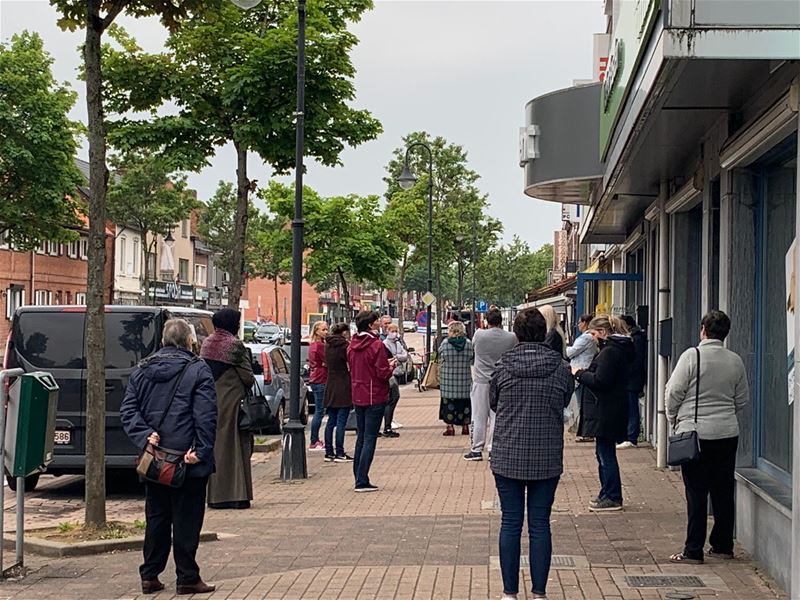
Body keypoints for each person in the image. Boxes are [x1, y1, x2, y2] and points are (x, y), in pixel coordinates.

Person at [121, 319, 218, 596]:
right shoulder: (199, 369)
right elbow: (206, 415)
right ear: (190, 341)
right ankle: (187, 577)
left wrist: (144, 435)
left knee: (157, 517)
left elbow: (128, 409)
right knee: (187, 520)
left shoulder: (142, 369)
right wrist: (201, 451)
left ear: (163, 340)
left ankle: (150, 575)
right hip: (186, 460)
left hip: (155, 460)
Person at [490, 308, 574, 600]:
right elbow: (565, 400)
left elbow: (493, 403)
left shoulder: (502, 367)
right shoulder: (561, 368)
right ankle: (539, 592)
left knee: (510, 522)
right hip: (546, 454)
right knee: (540, 524)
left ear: (517, 333)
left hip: (508, 453)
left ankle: (509, 593)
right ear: (545, 332)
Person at [666, 310, 749, 565]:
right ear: (726, 333)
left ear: (703, 330)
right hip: (727, 433)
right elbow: (742, 399)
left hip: (696, 434)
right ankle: (723, 545)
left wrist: (674, 419)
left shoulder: (692, 356)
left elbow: (674, 392)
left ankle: (693, 550)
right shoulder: (735, 360)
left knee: (696, 492)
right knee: (723, 490)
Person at [572, 314, 633, 512]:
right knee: (603, 453)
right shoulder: (617, 350)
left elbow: (601, 380)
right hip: (610, 408)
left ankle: (612, 495)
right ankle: (606, 492)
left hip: (605, 409)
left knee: (605, 455)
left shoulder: (609, 353)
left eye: (593, 333)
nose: (591, 337)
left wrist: (579, 373)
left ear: (603, 333)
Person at [199, 308, 255, 510]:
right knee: (236, 448)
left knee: (216, 447)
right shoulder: (234, 345)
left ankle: (215, 495)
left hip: (210, 401)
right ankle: (236, 494)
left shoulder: (206, 344)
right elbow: (248, 376)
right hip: (232, 401)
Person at [348, 311, 395, 492]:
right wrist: (390, 366)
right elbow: (382, 373)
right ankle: (362, 479)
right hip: (375, 394)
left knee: (361, 437)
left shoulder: (352, 345)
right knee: (370, 438)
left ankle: (358, 476)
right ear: (370, 325)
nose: (379, 324)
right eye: (376, 321)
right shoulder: (376, 345)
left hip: (358, 394)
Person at [464, 308, 516, 461]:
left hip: (481, 381)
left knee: (479, 416)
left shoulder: (479, 334)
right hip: (501, 380)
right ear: (501, 321)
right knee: (497, 415)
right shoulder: (511, 337)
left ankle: (476, 449)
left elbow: (474, 347)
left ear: (487, 321)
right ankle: (493, 448)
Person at [439, 320, 475, 436]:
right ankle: (465, 426)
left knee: (448, 403)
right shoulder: (469, 343)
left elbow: (440, 355)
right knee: (465, 403)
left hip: (448, 380)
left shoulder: (445, 343)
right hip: (464, 379)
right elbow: (471, 358)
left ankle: (450, 427)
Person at [323, 322, 353, 463]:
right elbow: (351, 363)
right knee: (341, 421)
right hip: (343, 385)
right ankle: (340, 452)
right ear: (344, 332)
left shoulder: (327, 345)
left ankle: (329, 452)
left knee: (331, 421)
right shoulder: (345, 346)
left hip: (331, 383)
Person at [566, 313, 597, 442]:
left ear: (585, 323)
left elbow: (572, 352)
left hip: (581, 371)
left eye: (580, 322)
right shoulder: (590, 337)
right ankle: (585, 430)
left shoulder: (586, 338)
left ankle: (587, 432)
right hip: (583, 370)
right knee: (582, 402)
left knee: (581, 403)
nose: (578, 324)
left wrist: (565, 348)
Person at [619, 315, 647, 448]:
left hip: (633, 379)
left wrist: (626, 371)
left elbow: (637, 360)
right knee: (629, 406)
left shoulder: (637, 339)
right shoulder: (633, 338)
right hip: (630, 378)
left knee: (632, 407)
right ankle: (628, 435)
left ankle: (632, 437)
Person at [382, 323, 408, 438]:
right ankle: (387, 426)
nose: (394, 333)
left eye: (396, 331)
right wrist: (397, 357)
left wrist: (397, 357)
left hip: (397, 372)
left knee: (393, 398)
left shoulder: (397, 343)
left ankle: (388, 424)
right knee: (392, 398)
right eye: (392, 331)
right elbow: (389, 358)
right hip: (390, 374)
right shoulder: (385, 344)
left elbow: (405, 356)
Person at [307, 321, 329, 451]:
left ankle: (315, 439)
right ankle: (314, 440)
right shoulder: (320, 346)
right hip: (321, 379)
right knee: (319, 411)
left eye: (327, 329)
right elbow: (327, 361)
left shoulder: (313, 345)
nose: (326, 332)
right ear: (316, 331)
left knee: (319, 411)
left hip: (316, 378)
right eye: (323, 330)